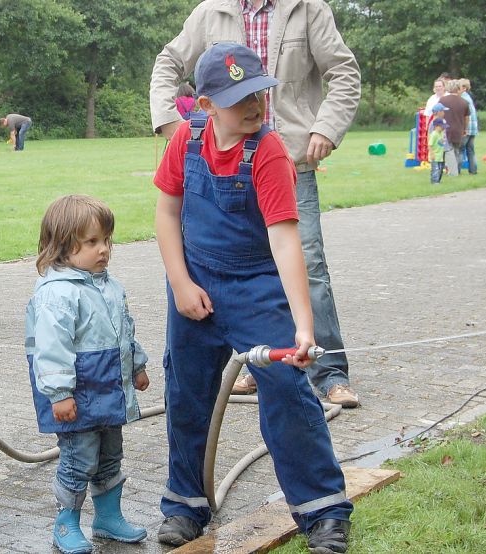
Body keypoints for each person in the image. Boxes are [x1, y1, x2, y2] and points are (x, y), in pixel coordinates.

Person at [153, 43, 353, 552]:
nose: (253, 106)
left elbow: (287, 242)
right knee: (187, 393)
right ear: (205, 106)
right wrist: (180, 283)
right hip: (195, 287)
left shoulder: (267, 152)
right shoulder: (185, 141)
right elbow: (167, 213)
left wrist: (304, 329)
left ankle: (322, 510)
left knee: (287, 391)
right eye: (238, 98)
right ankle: (186, 505)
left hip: (256, 288)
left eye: (258, 94)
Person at [150, 0, 361, 408]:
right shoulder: (211, 11)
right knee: (217, 261)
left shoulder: (308, 8)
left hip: (287, 154)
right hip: (222, 160)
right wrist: (170, 121)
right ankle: (254, 360)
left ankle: (325, 367)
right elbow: (169, 61)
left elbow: (344, 71)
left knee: (306, 262)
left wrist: (327, 127)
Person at [26, 195, 150, 554]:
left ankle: (108, 518)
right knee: (79, 459)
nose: (104, 250)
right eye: (92, 242)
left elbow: (124, 330)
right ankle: (66, 523)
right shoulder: (57, 294)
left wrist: (137, 366)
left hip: (109, 388)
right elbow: (50, 351)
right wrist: (60, 393)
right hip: (76, 396)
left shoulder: (108, 285)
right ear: (63, 246)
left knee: (111, 454)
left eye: (107, 240)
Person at [439, 80, 469, 177]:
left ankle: (452, 172)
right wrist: (465, 129)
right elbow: (466, 118)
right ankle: (457, 169)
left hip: (445, 129)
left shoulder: (443, 100)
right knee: (457, 151)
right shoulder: (464, 102)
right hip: (459, 129)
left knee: (448, 151)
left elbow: (439, 115)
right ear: (458, 88)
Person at [459, 78, 478, 175]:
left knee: (460, 149)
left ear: (464, 88)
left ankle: (456, 170)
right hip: (473, 128)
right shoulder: (469, 97)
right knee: (471, 150)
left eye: (459, 86)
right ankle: (473, 170)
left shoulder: (463, 99)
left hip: (466, 128)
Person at [427, 117, 448, 184]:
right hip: (434, 156)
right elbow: (430, 145)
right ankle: (434, 182)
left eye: (444, 127)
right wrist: (432, 154)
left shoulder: (441, 133)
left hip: (440, 156)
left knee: (440, 169)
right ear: (436, 126)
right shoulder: (434, 134)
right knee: (435, 169)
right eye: (442, 127)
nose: (443, 128)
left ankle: (438, 180)